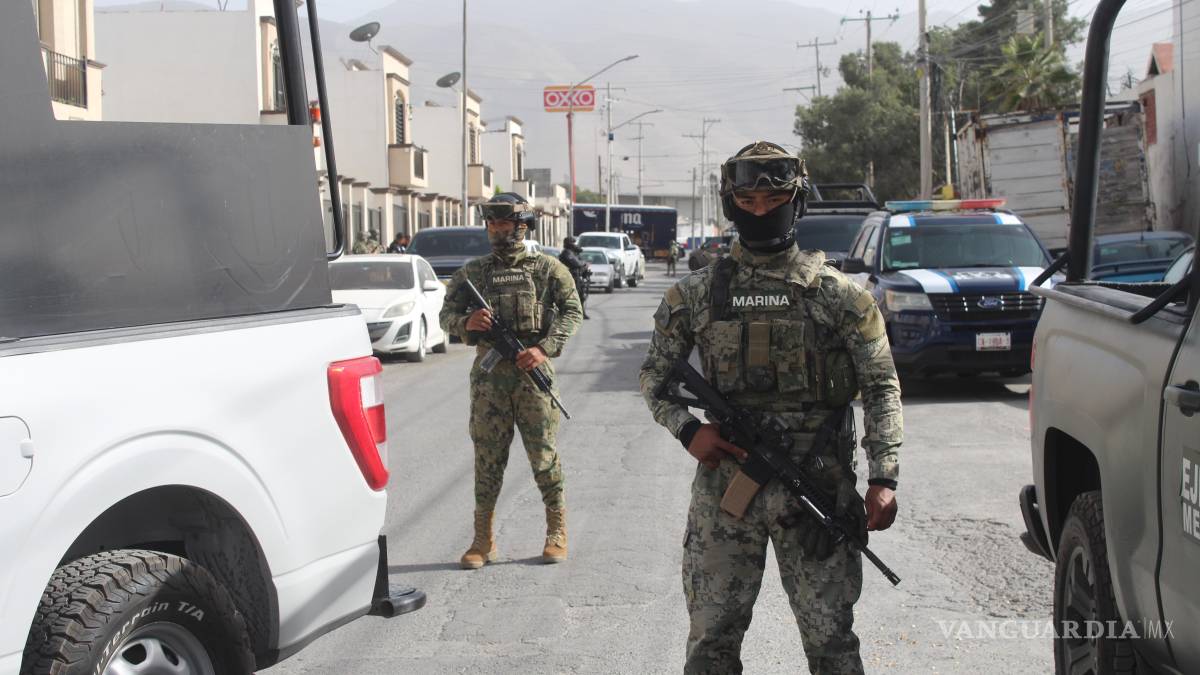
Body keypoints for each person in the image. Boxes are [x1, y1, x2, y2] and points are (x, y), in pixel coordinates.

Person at [638, 141, 902, 674]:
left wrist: (884, 475)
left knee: (831, 644)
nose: (761, 210)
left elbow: (880, 387)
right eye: (749, 200)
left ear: (796, 200)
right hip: (726, 495)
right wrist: (688, 431)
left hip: (817, 488)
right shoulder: (695, 294)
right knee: (712, 643)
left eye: (774, 197)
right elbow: (655, 377)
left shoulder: (840, 296)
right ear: (730, 202)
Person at [440, 192, 583, 569]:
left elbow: (573, 312)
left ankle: (556, 530)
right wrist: (464, 324)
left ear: (522, 227)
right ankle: (482, 539)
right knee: (488, 459)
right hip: (490, 380)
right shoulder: (472, 273)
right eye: (493, 224)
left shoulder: (549, 270)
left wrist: (546, 347)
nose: (498, 231)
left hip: (532, 375)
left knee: (543, 456)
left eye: (505, 224)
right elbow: (446, 314)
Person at [558, 237, 591, 320]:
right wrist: (584, 263)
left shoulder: (573, 253)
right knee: (572, 297)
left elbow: (580, 260)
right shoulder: (567, 253)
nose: (575, 244)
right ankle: (569, 314)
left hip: (576, 278)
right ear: (569, 244)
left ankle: (581, 313)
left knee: (581, 297)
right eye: (573, 243)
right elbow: (576, 264)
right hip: (570, 279)